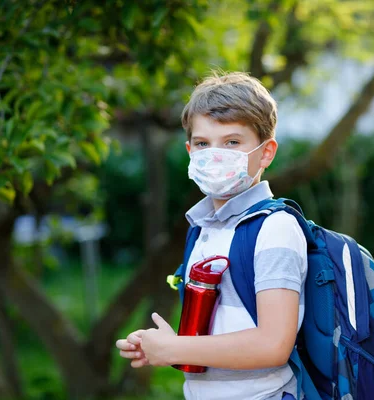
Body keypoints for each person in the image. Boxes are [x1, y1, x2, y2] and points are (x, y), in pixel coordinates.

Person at [115, 71, 307, 400]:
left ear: (266, 152)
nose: (215, 154)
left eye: (232, 142)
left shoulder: (274, 229)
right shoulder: (204, 228)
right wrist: (164, 347)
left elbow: (273, 345)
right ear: (190, 150)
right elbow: (224, 331)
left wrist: (178, 348)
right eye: (203, 144)